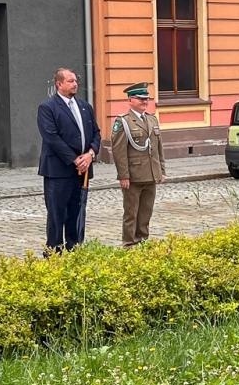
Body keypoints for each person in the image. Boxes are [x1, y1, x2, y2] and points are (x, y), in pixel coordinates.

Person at [37, 67, 101, 253]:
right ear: (59, 84)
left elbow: (96, 133)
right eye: (70, 81)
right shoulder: (47, 108)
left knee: (77, 211)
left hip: (83, 170)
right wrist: (75, 160)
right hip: (58, 170)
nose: (75, 84)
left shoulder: (84, 106)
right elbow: (51, 137)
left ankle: (75, 250)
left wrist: (90, 154)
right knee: (57, 214)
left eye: (76, 81)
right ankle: (54, 253)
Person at [109, 82, 166, 247]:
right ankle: (129, 243)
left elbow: (158, 148)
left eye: (146, 99)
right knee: (131, 213)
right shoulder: (124, 122)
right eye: (140, 99)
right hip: (133, 176)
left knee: (146, 212)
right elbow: (119, 151)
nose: (144, 102)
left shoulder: (152, 119)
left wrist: (161, 169)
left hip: (151, 173)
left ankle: (143, 241)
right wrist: (123, 175)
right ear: (131, 100)